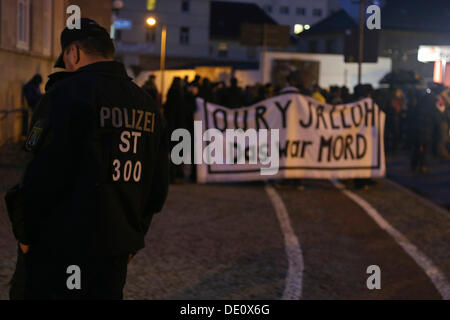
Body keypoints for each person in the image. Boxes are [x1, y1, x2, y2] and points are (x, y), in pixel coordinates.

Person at [5, 18, 169, 300]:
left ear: (74, 53)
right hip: (113, 253)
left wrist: (25, 236)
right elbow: (157, 185)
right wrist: (132, 237)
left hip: (58, 247)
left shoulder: (64, 95)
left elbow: (39, 174)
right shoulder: (147, 106)